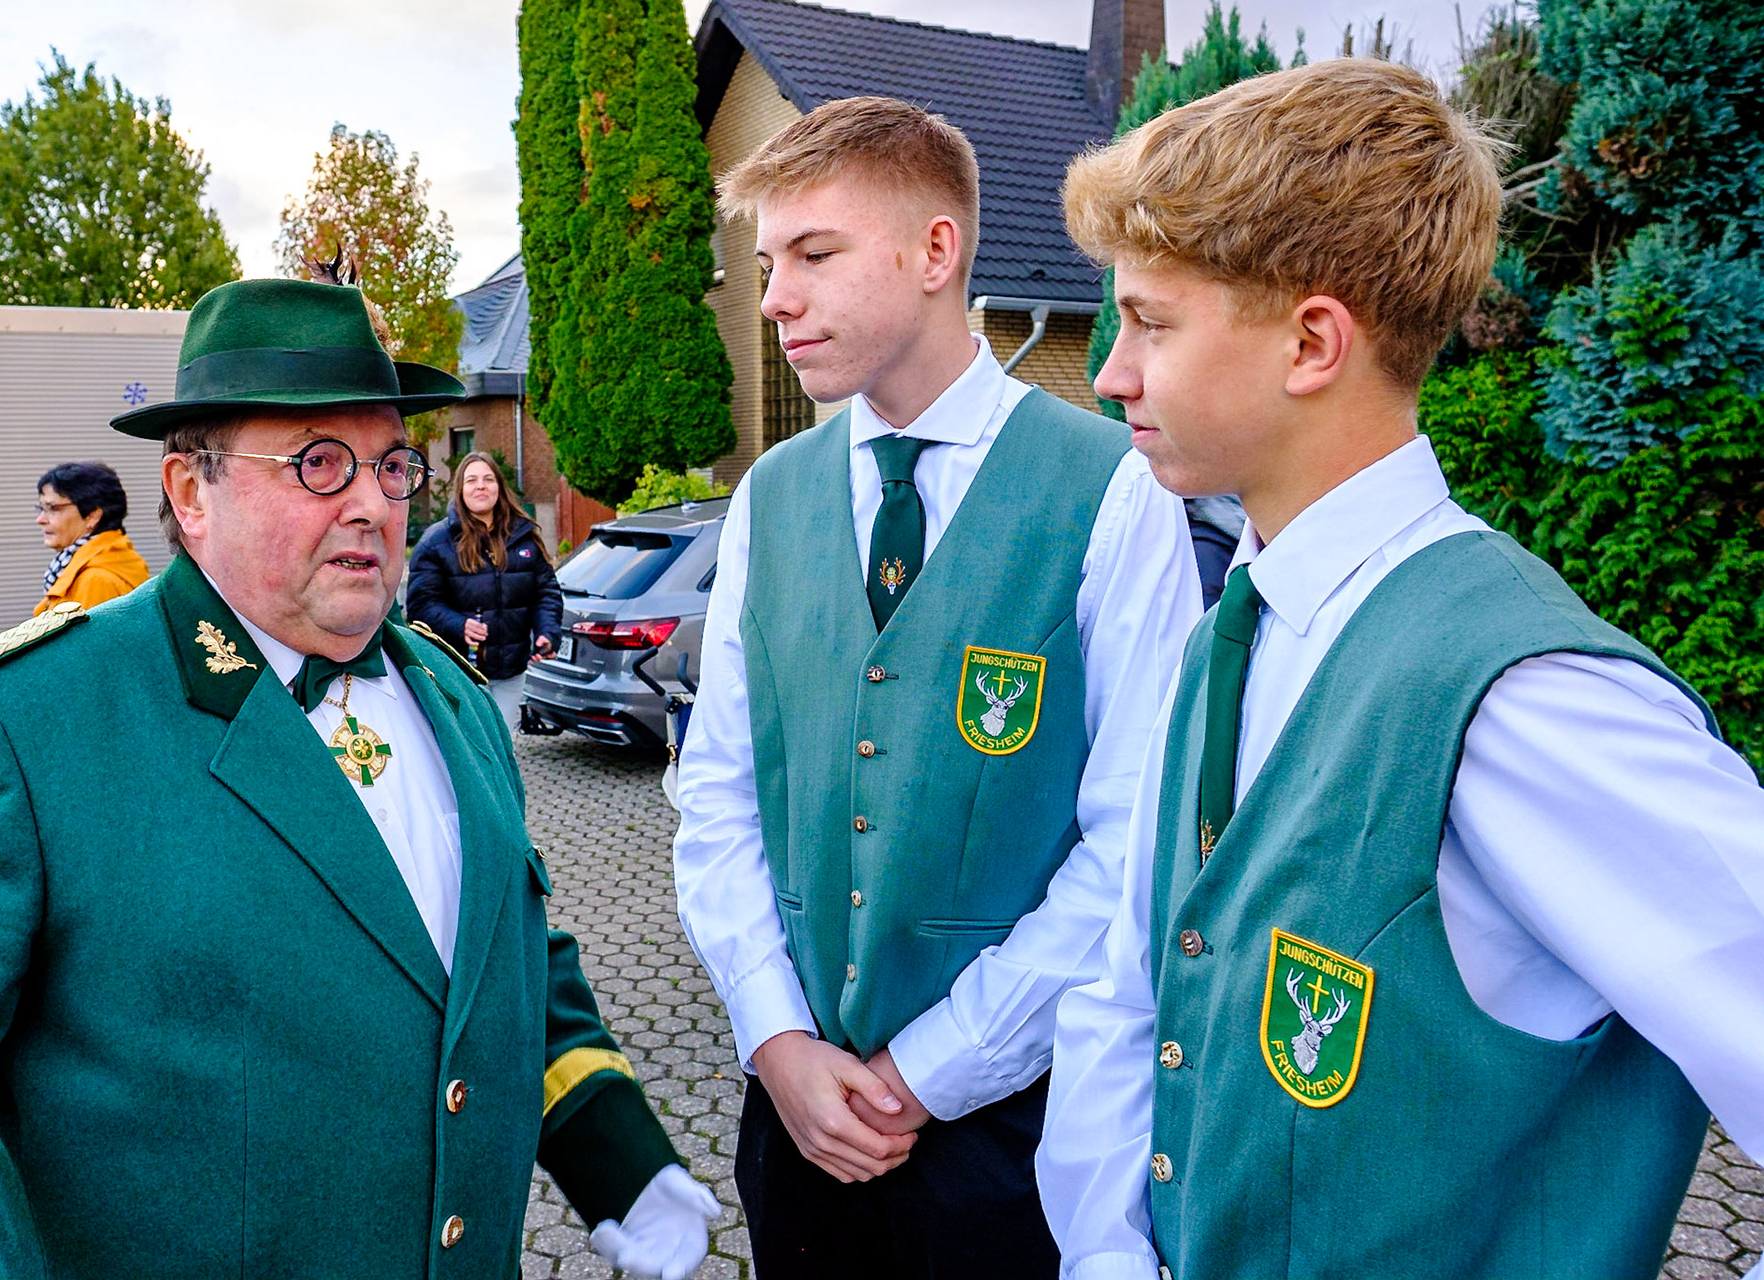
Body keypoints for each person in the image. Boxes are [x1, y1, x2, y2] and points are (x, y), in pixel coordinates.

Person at [1036, 60, 1764, 1280]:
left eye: (1152, 322)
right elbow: (1129, 996)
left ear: (1313, 342)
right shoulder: (1231, 621)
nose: (1111, 371)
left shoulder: (1524, 697)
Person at [0, 278, 718, 1279]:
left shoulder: (457, 695)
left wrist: (620, 1161)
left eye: (392, 464)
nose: (371, 502)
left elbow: (511, 959)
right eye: (317, 462)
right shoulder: (20, 723)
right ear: (189, 492)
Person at [673, 97, 1201, 1280]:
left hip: (1015, 1136)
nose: (773, 298)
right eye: (768, 265)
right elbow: (716, 798)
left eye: (815, 254)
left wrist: (932, 1069)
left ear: (934, 253)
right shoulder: (769, 496)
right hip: (796, 1119)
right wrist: (774, 1038)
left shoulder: (1115, 491)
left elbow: (1140, 840)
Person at [408, 451, 561, 728]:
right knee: (472, 746)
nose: (481, 485)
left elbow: (546, 592)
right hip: (459, 670)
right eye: (472, 480)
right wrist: (459, 624)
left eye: (488, 479)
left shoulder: (524, 537)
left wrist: (546, 632)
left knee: (503, 745)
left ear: (499, 488)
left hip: (511, 669)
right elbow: (420, 606)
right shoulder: (436, 542)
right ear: (461, 490)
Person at [33, 460, 151, 613]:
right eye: (41, 509)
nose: (40, 519)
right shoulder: (101, 563)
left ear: (92, 515)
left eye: (53, 509)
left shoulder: (96, 580)